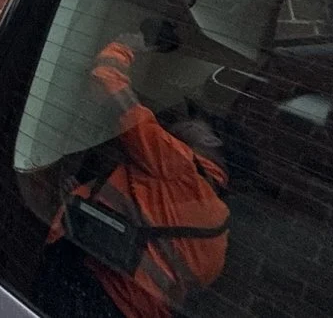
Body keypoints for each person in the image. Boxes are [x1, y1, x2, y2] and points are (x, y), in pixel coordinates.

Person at [40, 32, 231, 318]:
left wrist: (127, 45)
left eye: (194, 121)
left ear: (213, 141)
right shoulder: (220, 230)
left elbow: (107, 79)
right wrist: (85, 198)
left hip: (89, 293)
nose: (181, 122)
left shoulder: (177, 164)